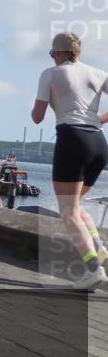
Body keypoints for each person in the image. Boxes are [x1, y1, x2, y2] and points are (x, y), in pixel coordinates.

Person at [31, 32, 108, 289]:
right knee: (76, 205)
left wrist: (43, 104)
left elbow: (38, 117)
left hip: (72, 139)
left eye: (53, 54)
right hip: (98, 142)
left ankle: (94, 270)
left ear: (60, 53)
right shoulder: (98, 73)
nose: (52, 58)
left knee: (68, 212)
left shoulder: (50, 74)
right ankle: (98, 249)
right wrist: (97, 118)